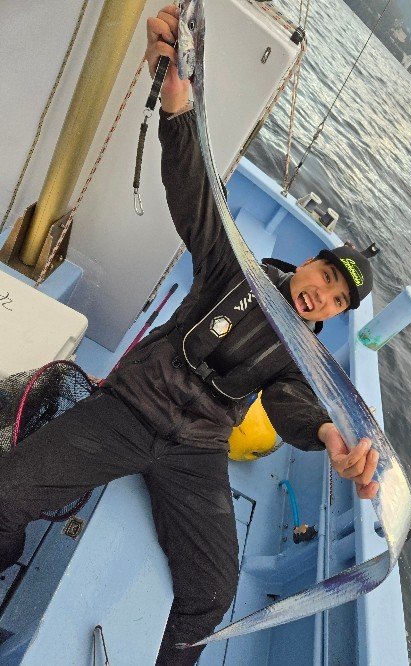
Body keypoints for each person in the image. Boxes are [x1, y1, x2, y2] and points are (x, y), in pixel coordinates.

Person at [0, 6, 379, 664]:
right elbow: (196, 197)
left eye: (338, 299)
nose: (323, 293)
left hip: (197, 451)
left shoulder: (306, 355)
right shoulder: (236, 266)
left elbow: (294, 405)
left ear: (336, 313)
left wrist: (327, 435)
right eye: (325, 276)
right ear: (308, 265)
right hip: (128, 409)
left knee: (211, 593)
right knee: (9, 491)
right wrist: (177, 106)